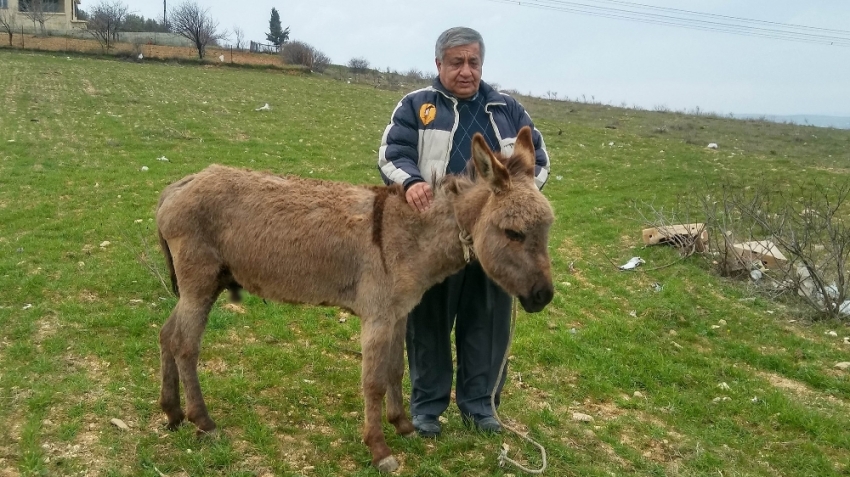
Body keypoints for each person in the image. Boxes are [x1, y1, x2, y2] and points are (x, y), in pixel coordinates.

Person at [377, 26, 550, 437]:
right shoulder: (417, 106)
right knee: (429, 323)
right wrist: (412, 182)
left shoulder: (506, 109)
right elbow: (392, 153)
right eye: (456, 62)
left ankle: (481, 406)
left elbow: (537, 160)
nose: (466, 71)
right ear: (439, 64)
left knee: (487, 324)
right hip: (436, 239)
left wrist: (514, 201)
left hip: (496, 239)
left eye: (473, 62)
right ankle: (427, 408)